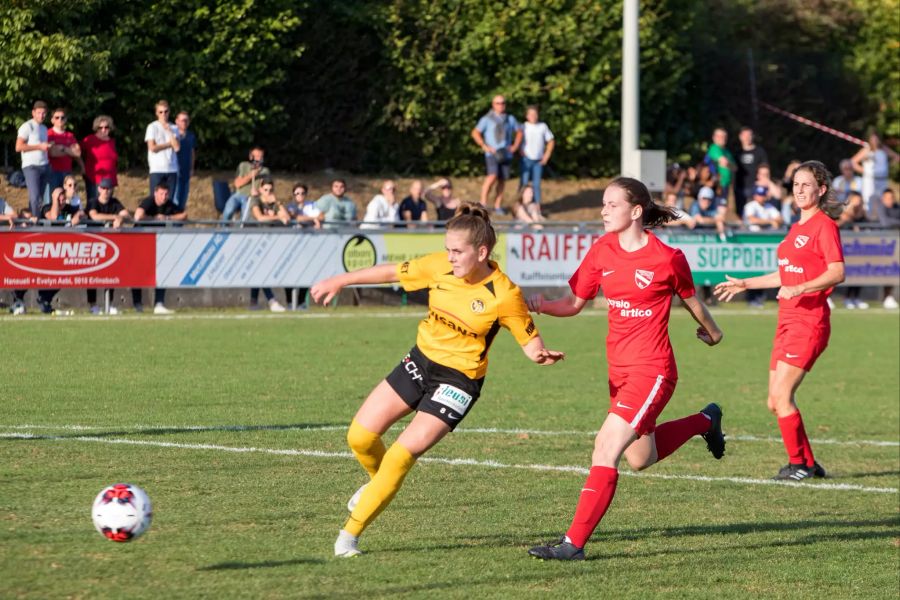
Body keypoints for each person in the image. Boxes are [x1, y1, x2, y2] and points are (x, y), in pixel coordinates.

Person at [311, 202, 565, 557]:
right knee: (360, 436)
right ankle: (376, 487)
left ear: (482, 252)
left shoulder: (505, 293)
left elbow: (530, 342)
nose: (450, 257)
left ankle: (348, 538)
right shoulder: (437, 266)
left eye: (457, 251)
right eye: (447, 249)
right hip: (420, 360)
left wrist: (540, 355)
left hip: (459, 382)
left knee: (400, 455)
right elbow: (390, 274)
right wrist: (340, 279)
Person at [525, 177, 725, 561]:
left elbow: (690, 300)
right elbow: (574, 302)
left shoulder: (667, 259)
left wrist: (714, 332)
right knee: (640, 457)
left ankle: (573, 544)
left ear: (636, 211)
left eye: (611, 204)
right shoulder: (601, 251)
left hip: (653, 371)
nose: (603, 210)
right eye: (603, 204)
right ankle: (706, 420)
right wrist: (537, 304)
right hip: (618, 372)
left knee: (606, 447)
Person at [715, 160, 844, 481]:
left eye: (806, 185)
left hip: (809, 322)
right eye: (796, 185)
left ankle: (798, 464)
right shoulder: (796, 227)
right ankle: (809, 464)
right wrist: (746, 283)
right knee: (774, 401)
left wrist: (801, 286)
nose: (799, 190)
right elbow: (783, 275)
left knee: (782, 397)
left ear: (821, 190)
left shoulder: (824, 225)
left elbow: (837, 271)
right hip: (787, 321)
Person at [133, 181, 186, 314]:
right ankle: (137, 304)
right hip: (141, 241)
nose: (164, 197)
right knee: (138, 273)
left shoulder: (169, 204)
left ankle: (159, 303)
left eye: (166, 194)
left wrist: (167, 217)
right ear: (155, 193)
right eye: (161, 193)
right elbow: (138, 216)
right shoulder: (149, 201)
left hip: (158, 242)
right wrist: (154, 219)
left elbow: (184, 215)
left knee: (163, 271)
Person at [85, 178, 130, 314]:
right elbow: (94, 216)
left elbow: (126, 214)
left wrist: (120, 219)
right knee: (92, 275)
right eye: (103, 188)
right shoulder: (93, 201)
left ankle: (109, 304)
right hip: (93, 242)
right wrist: (114, 217)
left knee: (111, 273)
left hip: (110, 244)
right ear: (99, 189)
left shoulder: (115, 202)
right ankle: (93, 305)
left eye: (108, 189)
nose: (106, 191)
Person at [471, 94, 522, 214]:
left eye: (503, 103)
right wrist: (484, 146)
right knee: (492, 176)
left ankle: (497, 205)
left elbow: (519, 131)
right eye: (498, 103)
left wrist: (515, 146)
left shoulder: (510, 119)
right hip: (492, 154)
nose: (501, 105)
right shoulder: (486, 119)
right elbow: (475, 133)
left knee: (502, 179)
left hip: (506, 153)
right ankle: (483, 203)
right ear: (493, 105)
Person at [244, 178, 289, 312]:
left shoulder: (273, 203)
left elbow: (286, 217)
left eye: (270, 190)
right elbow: (260, 218)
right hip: (252, 239)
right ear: (260, 190)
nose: (268, 192)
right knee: (260, 270)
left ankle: (253, 302)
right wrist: (277, 218)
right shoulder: (255, 200)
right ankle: (272, 301)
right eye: (265, 190)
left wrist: (277, 203)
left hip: (267, 241)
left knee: (259, 271)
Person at [851, 131, 899, 215]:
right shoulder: (866, 150)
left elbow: (897, 157)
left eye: (876, 139)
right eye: (873, 139)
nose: (875, 141)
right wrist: (864, 170)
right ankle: (868, 220)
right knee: (868, 200)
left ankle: (882, 220)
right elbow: (853, 162)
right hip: (870, 180)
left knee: (883, 199)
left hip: (882, 180)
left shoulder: (884, 149)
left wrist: (888, 166)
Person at [16, 100, 51, 218]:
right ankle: (35, 224)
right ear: (33, 113)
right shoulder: (27, 126)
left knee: (41, 198)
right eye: (39, 112)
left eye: (44, 113)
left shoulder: (44, 128)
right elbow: (18, 147)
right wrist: (39, 146)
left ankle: (36, 219)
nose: (41, 115)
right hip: (31, 166)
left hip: (44, 165)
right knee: (34, 196)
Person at [222, 147, 271, 222]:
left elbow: (266, 188)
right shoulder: (243, 165)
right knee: (228, 210)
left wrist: (258, 192)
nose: (259, 159)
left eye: (261, 156)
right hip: (239, 194)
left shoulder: (265, 171)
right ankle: (223, 228)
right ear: (251, 157)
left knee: (245, 218)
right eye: (257, 156)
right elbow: (237, 184)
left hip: (251, 197)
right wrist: (250, 176)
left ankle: (240, 231)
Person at [519, 105, 555, 205]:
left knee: (536, 185)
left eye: (535, 114)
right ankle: (521, 207)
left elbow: (551, 141)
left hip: (538, 160)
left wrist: (546, 155)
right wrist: (519, 150)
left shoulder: (542, 126)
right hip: (526, 159)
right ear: (526, 116)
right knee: (524, 183)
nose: (533, 116)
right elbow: (517, 140)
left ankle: (537, 208)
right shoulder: (523, 126)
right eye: (530, 114)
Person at [145, 100, 180, 196]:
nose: (163, 114)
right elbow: (152, 148)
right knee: (155, 199)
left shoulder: (174, 128)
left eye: (166, 111)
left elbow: (177, 147)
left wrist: (169, 131)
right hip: (157, 169)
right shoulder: (152, 127)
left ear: (169, 112)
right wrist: (170, 144)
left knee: (169, 200)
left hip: (172, 169)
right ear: (157, 113)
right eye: (161, 112)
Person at [81, 115, 118, 202]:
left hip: (110, 179)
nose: (103, 130)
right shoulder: (89, 140)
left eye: (106, 127)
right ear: (96, 128)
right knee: (93, 204)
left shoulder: (111, 142)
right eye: (100, 127)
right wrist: (82, 167)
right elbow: (77, 153)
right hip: (94, 178)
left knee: (107, 204)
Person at [47, 108, 84, 194]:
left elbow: (78, 153)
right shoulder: (48, 134)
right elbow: (52, 153)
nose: (60, 119)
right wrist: (70, 150)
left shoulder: (70, 135)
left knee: (67, 199)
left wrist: (63, 148)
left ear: (66, 119)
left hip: (67, 172)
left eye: (62, 117)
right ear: (52, 120)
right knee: (52, 198)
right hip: (52, 172)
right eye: (57, 117)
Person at [874, 189, 900, 309]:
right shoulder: (880, 207)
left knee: (892, 269)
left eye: (891, 198)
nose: (889, 201)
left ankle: (888, 296)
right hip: (879, 246)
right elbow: (885, 222)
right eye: (887, 198)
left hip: (894, 245)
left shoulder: (897, 207)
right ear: (883, 199)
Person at [734, 126, 768, 217]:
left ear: (752, 136)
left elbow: (765, 169)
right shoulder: (737, 152)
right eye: (744, 135)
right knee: (741, 213)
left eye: (749, 135)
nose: (747, 138)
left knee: (753, 213)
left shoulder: (760, 151)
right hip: (739, 188)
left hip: (755, 189)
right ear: (740, 137)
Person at [173, 111, 196, 211]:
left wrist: (192, 168)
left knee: (183, 199)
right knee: (175, 199)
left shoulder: (191, 136)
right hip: (175, 170)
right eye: (182, 120)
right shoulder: (173, 135)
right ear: (177, 121)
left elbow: (192, 153)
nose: (184, 123)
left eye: (186, 120)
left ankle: (179, 224)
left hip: (186, 171)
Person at [704, 128, 735, 201]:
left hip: (725, 185)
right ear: (714, 138)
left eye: (724, 136)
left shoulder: (727, 152)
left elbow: (735, 167)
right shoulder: (714, 148)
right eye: (719, 136)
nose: (722, 138)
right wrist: (727, 164)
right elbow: (724, 161)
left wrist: (728, 164)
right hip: (715, 185)